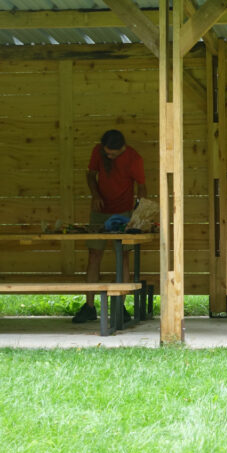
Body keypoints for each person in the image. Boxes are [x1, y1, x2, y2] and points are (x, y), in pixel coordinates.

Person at [72, 129, 147, 323]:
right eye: (107, 153)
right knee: (93, 255)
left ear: (122, 148)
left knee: (123, 257)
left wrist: (138, 213)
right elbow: (90, 175)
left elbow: (142, 186)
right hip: (100, 210)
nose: (109, 156)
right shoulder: (98, 151)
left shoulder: (134, 158)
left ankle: (119, 307)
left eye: (113, 153)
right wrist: (95, 195)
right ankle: (89, 306)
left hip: (123, 213)